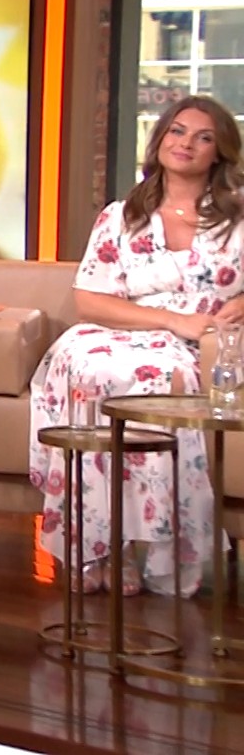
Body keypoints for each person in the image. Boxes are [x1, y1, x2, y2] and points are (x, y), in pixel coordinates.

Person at [27, 94, 242, 597]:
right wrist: (172, 320)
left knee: (160, 377)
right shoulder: (121, 217)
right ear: (160, 139)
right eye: (177, 131)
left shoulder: (237, 218)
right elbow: (90, 300)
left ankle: (152, 545)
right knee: (90, 369)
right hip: (124, 331)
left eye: (203, 137)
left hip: (203, 344)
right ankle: (102, 548)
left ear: (219, 152)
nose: (186, 143)